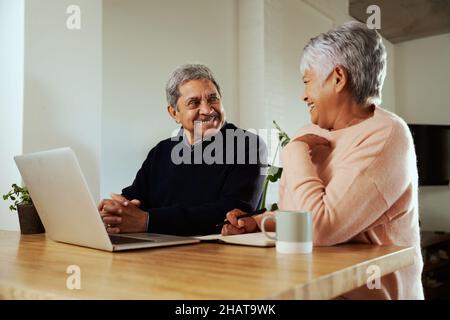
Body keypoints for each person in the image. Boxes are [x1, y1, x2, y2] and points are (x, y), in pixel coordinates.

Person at [222, 21, 424, 300]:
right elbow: (301, 215)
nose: (303, 94)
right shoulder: (308, 134)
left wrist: (294, 152)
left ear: (338, 78)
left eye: (307, 81)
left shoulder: (387, 134)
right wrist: (261, 222)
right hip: (310, 286)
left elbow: (317, 228)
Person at [99, 64, 266, 236]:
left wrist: (148, 221)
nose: (208, 110)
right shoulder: (161, 151)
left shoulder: (248, 145)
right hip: (156, 253)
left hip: (215, 254)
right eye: (194, 103)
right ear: (174, 113)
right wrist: (115, 210)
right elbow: (135, 198)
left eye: (213, 99)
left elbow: (233, 213)